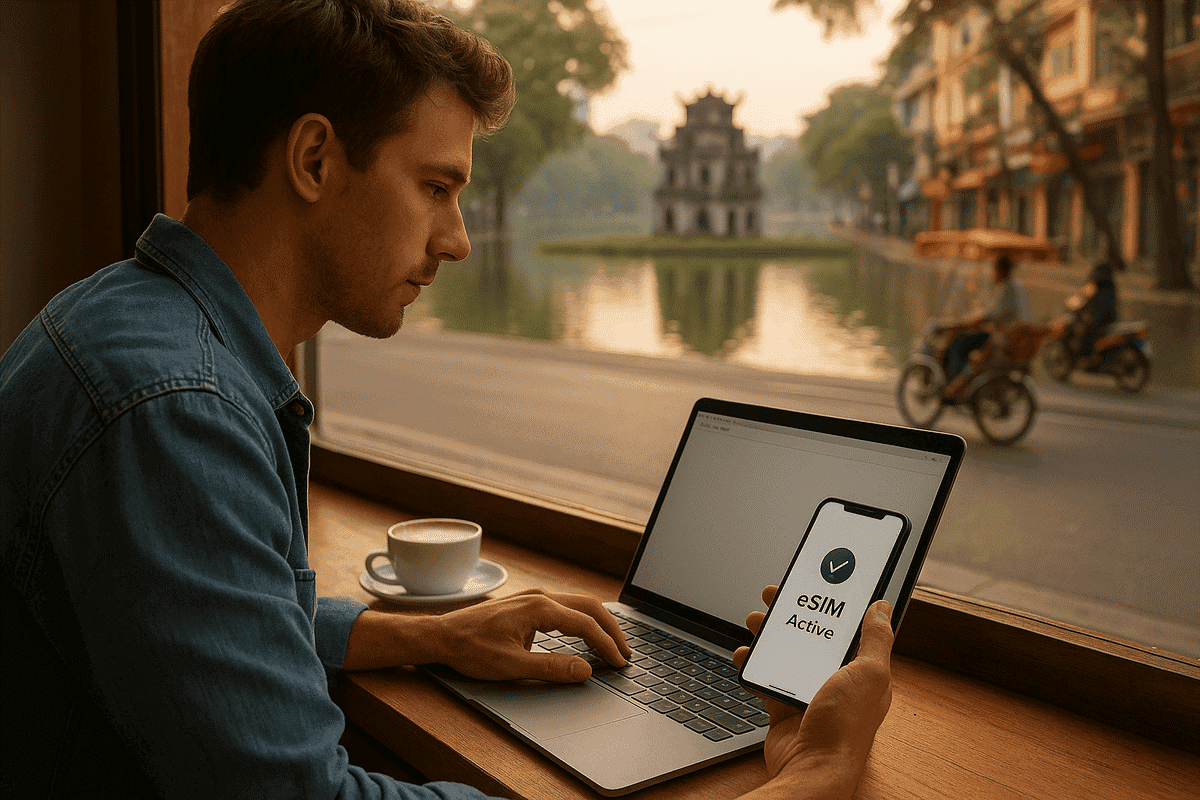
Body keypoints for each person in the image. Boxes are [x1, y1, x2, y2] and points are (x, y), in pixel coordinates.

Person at [0, 1, 895, 798]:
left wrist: (432, 634)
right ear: (314, 158)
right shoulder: (179, 410)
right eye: (436, 188)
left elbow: (215, 614)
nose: (460, 241)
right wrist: (811, 778)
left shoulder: (126, 321)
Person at [942, 254, 1031, 397]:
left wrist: (977, 319)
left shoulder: (1007, 288)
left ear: (1001, 270)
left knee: (959, 345)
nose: (992, 273)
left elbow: (994, 313)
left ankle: (957, 386)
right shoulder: (1011, 287)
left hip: (1001, 338)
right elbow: (995, 311)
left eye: (994, 269)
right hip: (1003, 334)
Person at [1072, 261, 1119, 360]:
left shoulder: (1099, 285)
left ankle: (1086, 358)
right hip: (1109, 319)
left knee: (1084, 332)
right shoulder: (1109, 285)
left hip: (1101, 320)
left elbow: (1088, 301)